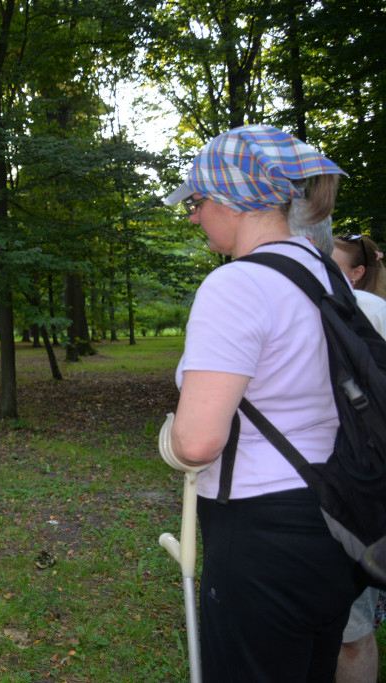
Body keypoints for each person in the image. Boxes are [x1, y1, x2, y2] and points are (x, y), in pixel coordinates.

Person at [159, 124, 362, 681]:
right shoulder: (324, 274)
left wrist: (171, 441)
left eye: (198, 202)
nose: (194, 217)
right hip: (336, 518)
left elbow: (198, 442)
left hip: (261, 534)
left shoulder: (237, 285)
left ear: (232, 200)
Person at [330, 234, 386, 683]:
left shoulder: (367, 310)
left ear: (357, 272)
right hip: (337, 483)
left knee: (351, 630)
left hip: (354, 481)